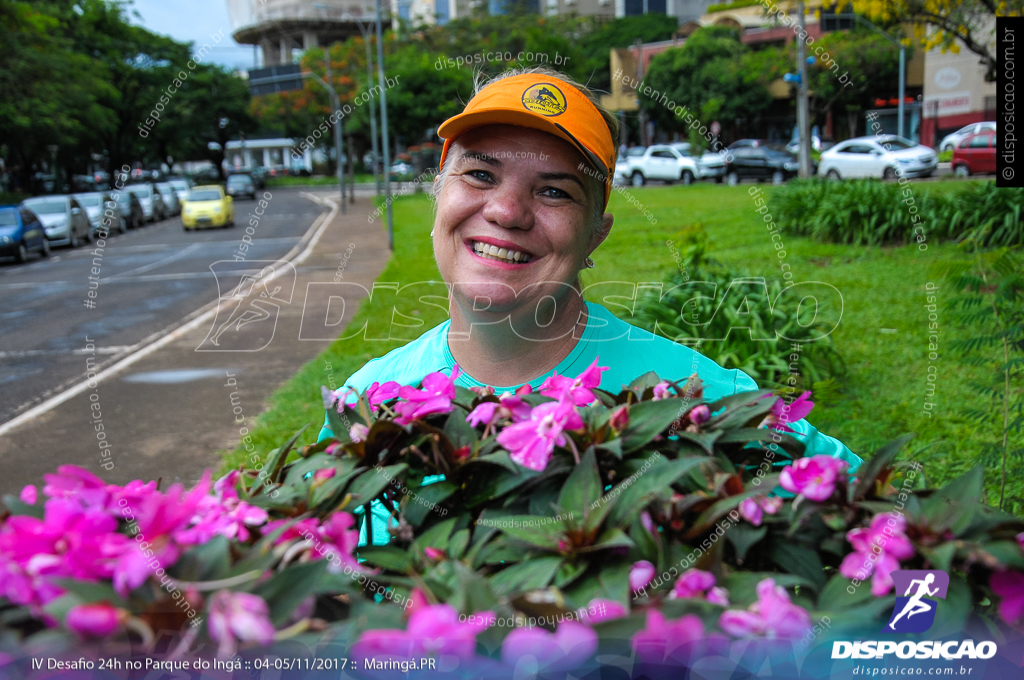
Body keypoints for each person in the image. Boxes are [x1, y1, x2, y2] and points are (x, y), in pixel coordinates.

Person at [317, 67, 862, 545]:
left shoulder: (689, 394)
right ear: (439, 193)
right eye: (480, 174)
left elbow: (893, 527)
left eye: (555, 191)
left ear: (596, 234)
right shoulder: (366, 406)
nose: (507, 211)